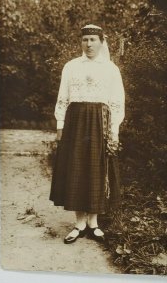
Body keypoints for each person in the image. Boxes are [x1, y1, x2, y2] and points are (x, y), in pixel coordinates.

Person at [49, 24, 125, 244]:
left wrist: (114, 131)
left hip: (100, 122)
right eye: (85, 40)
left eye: (93, 39)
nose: (89, 44)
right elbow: (63, 97)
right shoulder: (71, 66)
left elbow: (117, 102)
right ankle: (79, 224)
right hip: (75, 123)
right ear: (81, 42)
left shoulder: (110, 69)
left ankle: (94, 223)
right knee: (76, 168)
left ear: (102, 42)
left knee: (96, 169)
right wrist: (60, 125)